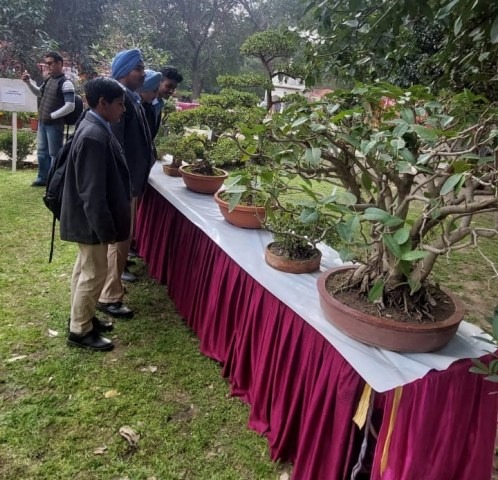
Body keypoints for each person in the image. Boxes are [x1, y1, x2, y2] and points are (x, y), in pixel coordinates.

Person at [61, 77, 130, 351]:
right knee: (94, 273)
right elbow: (92, 192)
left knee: (84, 270)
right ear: (103, 103)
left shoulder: (95, 125)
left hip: (86, 217)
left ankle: (82, 317)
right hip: (90, 220)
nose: (123, 109)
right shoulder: (94, 136)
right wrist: (105, 230)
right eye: (120, 104)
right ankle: (80, 330)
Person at [96, 48, 154, 319]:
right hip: (124, 182)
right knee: (119, 241)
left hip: (130, 181)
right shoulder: (119, 100)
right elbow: (115, 145)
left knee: (121, 240)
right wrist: (120, 184)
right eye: (138, 68)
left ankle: (110, 289)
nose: (143, 73)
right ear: (123, 72)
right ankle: (109, 296)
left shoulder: (130, 97)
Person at [22, 52, 75, 187]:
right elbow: (39, 93)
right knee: (42, 152)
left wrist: (52, 116)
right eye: (46, 63)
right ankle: (42, 178)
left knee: (54, 154)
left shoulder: (66, 83)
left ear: (59, 63)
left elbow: (70, 105)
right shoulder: (49, 80)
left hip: (54, 124)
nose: (47, 66)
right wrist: (28, 82)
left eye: (50, 63)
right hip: (43, 123)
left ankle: (54, 181)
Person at [138, 69, 162, 141]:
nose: (156, 95)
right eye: (154, 91)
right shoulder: (128, 107)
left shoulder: (148, 108)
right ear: (144, 88)